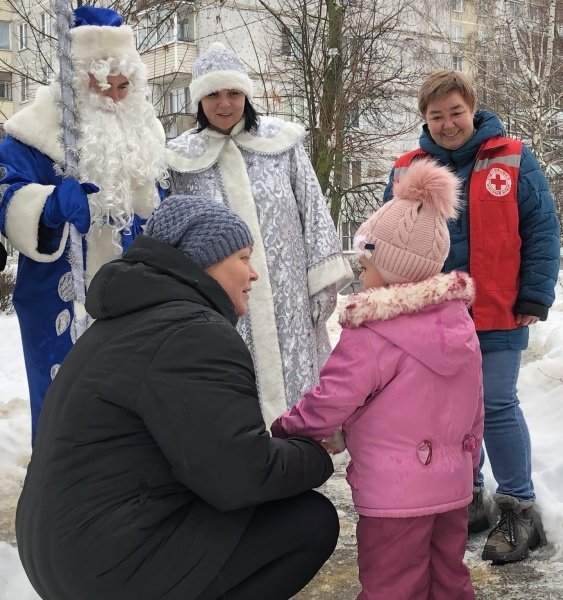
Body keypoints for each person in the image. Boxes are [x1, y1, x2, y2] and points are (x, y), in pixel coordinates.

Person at [16, 195, 339, 600]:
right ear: (206, 260)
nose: (253, 274)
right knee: (308, 521)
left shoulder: (125, 319)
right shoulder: (193, 333)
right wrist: (314, 451)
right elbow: (241, 479)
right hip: (106, 566)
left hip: (63, 552)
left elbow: (208, 456)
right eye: (243, 257)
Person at [272, 158, 484, 599]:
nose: (359, 273)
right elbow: (476, 408)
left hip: (394, 494)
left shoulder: (374, 328)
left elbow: (334, 396)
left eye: (366, 260)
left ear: (392, 265)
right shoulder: (459, 323)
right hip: (453, 485)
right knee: (448, 577)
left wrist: (290, 428)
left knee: (392, 583)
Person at [383, 69, 560, 562]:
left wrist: (534, 296)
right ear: (424, 119)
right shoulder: (406, 168)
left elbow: (542, 228)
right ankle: (469, 501)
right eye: (436, 116)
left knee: (497, 405)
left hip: (499, 308)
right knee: (450, 412)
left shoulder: (512, 157)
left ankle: (519, 508)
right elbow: (388, 240)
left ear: (473, 109)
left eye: (455, 112)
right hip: (432, 313)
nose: (447, 123)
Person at [0, 5, 167, 440]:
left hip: (139, 303)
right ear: (77, 80)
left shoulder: (147, 135)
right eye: (102, 83)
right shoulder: (33, 133)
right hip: (60, 297)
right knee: (65, 410)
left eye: (123, 84)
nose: (114, 96)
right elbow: (4, 194)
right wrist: (47, 206)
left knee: (137, 410)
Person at [166, 43, 352, 424]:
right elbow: (174, 232)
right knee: (235, 387)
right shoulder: (179, 159)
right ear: (199, 99)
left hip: (288, 296)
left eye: (233, 93)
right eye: (213, 94)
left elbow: (313, 209)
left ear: (246, 95)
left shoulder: (281, 143)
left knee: (296, 383)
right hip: (223, 299)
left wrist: (322, 282)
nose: (224, 104)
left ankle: (300, 456)